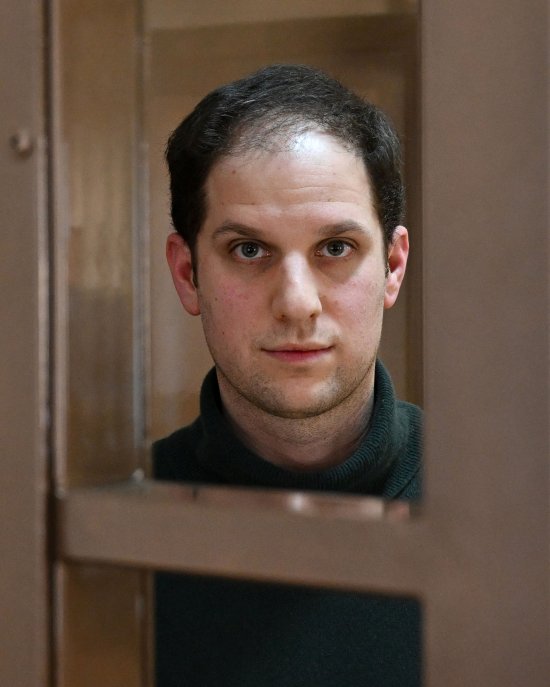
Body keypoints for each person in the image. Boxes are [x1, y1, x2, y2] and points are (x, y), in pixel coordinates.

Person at [154, 64, 421, 687]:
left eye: (335, 248)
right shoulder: (115, 519)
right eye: (249, 250)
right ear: (188, 274)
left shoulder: (503, 514)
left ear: (393, 266)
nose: (297, 303)